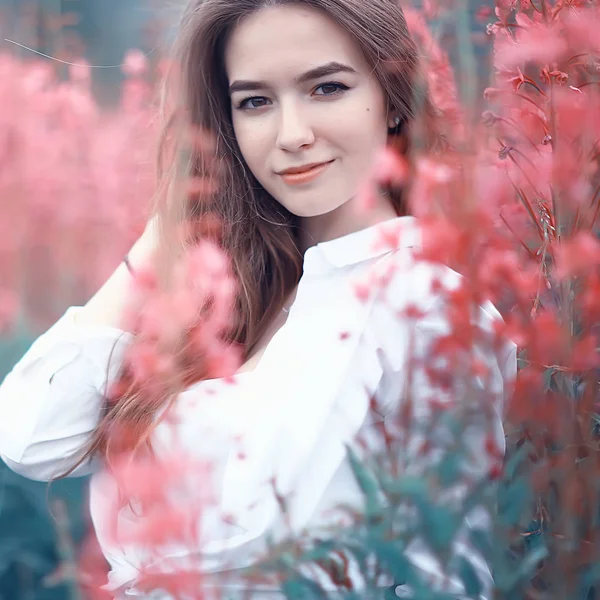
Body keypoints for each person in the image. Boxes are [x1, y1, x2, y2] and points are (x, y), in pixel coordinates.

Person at [0, 0, 517, 598]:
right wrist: (169, 227)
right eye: (255, 102)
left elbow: (446, 579)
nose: (293, 135)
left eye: (326, 88)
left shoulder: (428, 309)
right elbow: (29, 438)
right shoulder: (228, 297)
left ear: (395, 98)